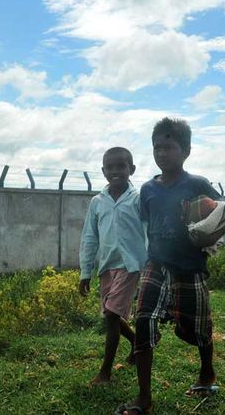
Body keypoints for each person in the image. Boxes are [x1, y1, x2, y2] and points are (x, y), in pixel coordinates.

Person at [116, 118, 225, 415]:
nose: (161, 153)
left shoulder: (198, 185)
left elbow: (223, 215)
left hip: (190, 267)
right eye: (157, 147)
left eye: (169, 147)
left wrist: (209, 235)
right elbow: (145, 223)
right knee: (143, 321)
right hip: (157, 264)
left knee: (199, 329)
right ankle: (144, 397)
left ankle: (206, 371)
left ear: (186, 151)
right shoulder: (149, 189)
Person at [79, 147, 147, 385]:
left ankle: (105, 372)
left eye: (122, 166)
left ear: (132, 169)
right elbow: (90, 237)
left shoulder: (138, 199)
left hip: (130, 265)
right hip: (107, 266)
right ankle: (137, 342)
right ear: (103, 171)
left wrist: (150, 263)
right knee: (113, 316)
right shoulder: (97, 202)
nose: (116, 171)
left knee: (111, 315)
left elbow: (148, 231)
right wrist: (85, 272)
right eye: (110, 167)